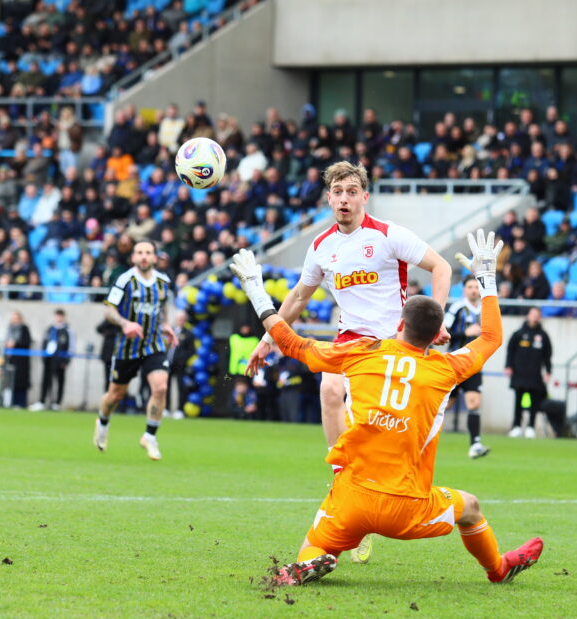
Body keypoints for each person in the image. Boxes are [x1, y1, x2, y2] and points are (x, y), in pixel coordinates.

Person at [229, 230, 543, 586]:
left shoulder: (360, 353)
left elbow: (292, 343)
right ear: (437, 333)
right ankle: (497, 570)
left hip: (352, 499)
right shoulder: (446, 370)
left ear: (399, 324)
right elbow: (491, 337)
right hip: (407, 507)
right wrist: (487, 279)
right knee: (469, 508)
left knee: (314, 546)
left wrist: (255, 287)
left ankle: (315, 560)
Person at [242, 161, 454, 563]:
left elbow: (442, 267)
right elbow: (299, 298)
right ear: (328, 198)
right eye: (337, 192)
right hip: (351, 340)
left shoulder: (390, 235)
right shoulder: (322, 246)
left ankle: (381, 496)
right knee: (329, 387)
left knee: (390, 426)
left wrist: (434, 320)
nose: (344, 199)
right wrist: (267, 338)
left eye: (351, 191)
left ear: (364, 197)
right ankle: (343, 481)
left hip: (396, 341)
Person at [94, 238, 176, 460]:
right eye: (139, 252)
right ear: (133, 257)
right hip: (127, 347)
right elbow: (108, 309)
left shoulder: (163, 282)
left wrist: (166, 325)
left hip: (153, 344)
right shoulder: (125, 280)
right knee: (115, 395)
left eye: (148, 252)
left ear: (154, 257)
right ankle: (102, 422)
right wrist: (125, 323)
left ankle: (149, 436)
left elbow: (163, 307)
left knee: (160, 388)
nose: (143, 256)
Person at [444, 277, 490, 458]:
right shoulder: (457, 308)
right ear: (463, 290)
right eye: (470, 287)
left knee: (474, 403)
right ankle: (418, 434)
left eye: (476, 287)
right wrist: (465, 333)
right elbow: (444, 332)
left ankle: (475, 444)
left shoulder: (485, 310)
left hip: (474, 364)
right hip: (455, 363)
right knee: (443, 404)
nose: (473, 290)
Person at [505, 307, 555, 438]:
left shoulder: (543, 336)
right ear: (528, 315)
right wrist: (508, 366)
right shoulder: (518, 334)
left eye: (537, 315)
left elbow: (547, 356)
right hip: (519, 373)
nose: (534, 317)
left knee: (534, 402)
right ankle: (516, 426)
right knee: (518, 401)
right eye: (532, 314)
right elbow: (510, 351)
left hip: (535, 375)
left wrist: (548, 371)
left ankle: (531, 427)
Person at [37, 308, 71, 410]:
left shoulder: (67, 330)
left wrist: (66, 360)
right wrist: (43, 356)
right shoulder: (50, 329)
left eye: (60, 316)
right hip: (49, 358)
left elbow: (71, 346)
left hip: (60, 359)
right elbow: (44, 342)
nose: (58, 318)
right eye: (57, 316)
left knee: (59, 381)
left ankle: (57, 403)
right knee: (46, 380)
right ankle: (42, 401)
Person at [4, 311, 32, 408]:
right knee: (12, 381)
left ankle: (21, 403)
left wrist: (15, 343)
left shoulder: (24, 329)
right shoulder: (9, 329)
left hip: (22, 361)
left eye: (16, 318)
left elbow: (27, 342)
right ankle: (12, 402)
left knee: (21, 382)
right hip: (12, 359)